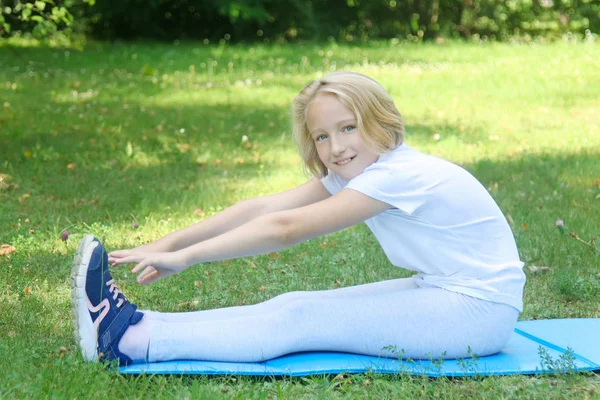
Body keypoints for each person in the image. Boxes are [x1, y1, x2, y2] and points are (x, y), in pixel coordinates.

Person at [71, 71, 526, 366]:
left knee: (302, 316)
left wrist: (188, 257)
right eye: (322, 136)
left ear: (383, 120)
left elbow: (285, 229)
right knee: (292, 304)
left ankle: (128, 345)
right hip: (449, 291)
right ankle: (132, 325)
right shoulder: (363, 169)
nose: (336, 147)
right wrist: (166, 244)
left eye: (349, 127)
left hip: (477, 311)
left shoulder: (398, 175)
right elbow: (264, 208)